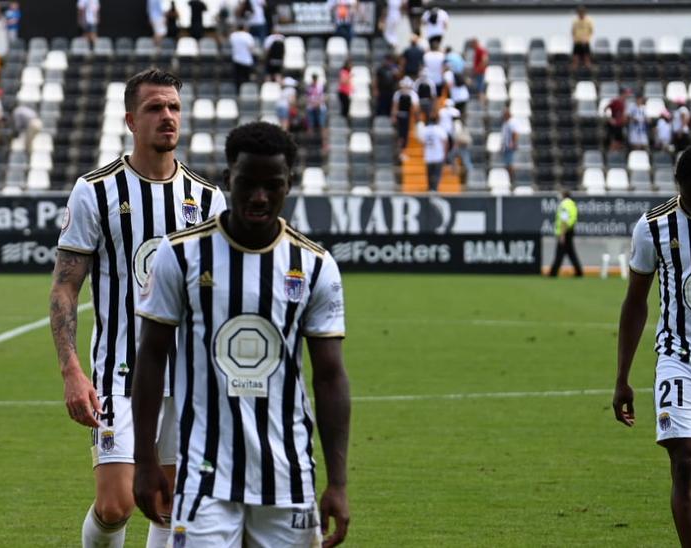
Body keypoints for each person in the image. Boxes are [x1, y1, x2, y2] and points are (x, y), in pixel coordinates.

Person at [131, 121, 350, 548]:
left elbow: (330, 377)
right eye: (248, 183)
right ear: (229, 179)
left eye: (274, 185)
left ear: (290, 184)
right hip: (203, 477)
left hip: (288, 478)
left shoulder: (315, 265)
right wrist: (145, 460)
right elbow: (152, 356)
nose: (260, 197)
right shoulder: (180, 254)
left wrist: (338, 483)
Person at [50, 68, 227, 548]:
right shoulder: (96, 190)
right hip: (118, 372)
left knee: (165, 503)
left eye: (173, 107)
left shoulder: (208, 199)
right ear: (131, 120)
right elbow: (65, 288)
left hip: (185, 375)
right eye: (154, 108)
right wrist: (72, 370)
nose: (167, 117)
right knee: (115, 505)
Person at [616, 145, 691, 548]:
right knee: (685, 464)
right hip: (678, 359)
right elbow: (635, 301)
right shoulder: (652, 227)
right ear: (677, 185)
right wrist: (623, 378)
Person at [547, 189, 582, 277]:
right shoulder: (572, 204)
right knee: (571, 253)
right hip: (570, 230)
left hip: (565, 231)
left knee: (559, 253)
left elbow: (564, 219)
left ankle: (553, 273)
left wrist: (562, 234)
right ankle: (578, 272)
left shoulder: (564, 205)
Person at [418, 112, 448, 192]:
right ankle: (434, 189)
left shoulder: (425, 130)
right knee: (437, 174)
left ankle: (430, 188)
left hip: (429, 155)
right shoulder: (439, 129)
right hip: (438, 155)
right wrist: (445, 154)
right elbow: (445, 142)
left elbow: (422, 142)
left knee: (429, 174)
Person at [393, 77, 418, 162]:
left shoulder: (412, 95)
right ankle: (401, 152)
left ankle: (402, 152)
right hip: (401, 116)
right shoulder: (398, 94)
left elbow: (415, 108)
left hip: (407, 117)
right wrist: (394, 116)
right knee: (401, 136)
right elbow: (395, 106)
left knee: (404, 136)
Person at [374, 54, 399, 118]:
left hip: (391, 91)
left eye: (389, 61)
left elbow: (398, 79)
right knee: (381, 106)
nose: (387, 62)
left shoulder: (394, 69)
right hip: (382, 91)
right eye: (386, 60)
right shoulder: (380, 69)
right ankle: (380, 118)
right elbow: (376, 80)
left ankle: (389, 118)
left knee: (390, 106)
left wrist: (396, 73)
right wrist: (376, 89)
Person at [604, 88, 628, 153]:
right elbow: (605, 109)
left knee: (619, 141)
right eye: (626, 94)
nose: (627, 96)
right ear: (622, 94)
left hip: (620, 125)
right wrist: (610, 119)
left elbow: (623, 114)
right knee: (613, 140)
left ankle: (616, 153)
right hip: (614, 125)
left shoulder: (624, 102)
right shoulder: (615, 101)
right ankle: (611, 153)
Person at [571, 5, 593, 71]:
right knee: (575, 54)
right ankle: (575, 66)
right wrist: (574, 39)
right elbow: (573, 31)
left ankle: (588, 65)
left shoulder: (589, 21)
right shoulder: (575, 21)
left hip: (585, 41)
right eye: (579, 13)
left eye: (582, 13)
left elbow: (591, 31)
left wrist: (587, 39)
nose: (581, 14)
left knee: (587, 54)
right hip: (577, 41)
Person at [500, 108, 518, 180]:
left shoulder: (512, 122)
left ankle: (512, 179)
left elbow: (515, 133)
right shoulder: (506, 123)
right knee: (507, 164)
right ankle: (508, 179)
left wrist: (513, 143)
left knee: (510, 164)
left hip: (509, 147)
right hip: (506, 146)